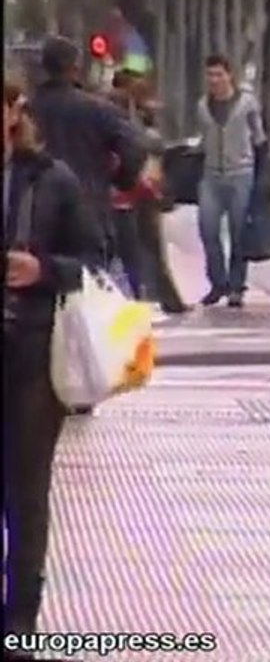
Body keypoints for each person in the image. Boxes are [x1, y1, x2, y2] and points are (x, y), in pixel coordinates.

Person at [3, 80, 106, 646]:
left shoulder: (51, 181)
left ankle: (19, 619)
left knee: (25, 490)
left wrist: (42, 269)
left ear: (13, 114)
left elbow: (93, 257)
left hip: (31, 351)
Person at [29, 36, 146, 260]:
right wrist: (121, 179)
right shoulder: (99, 110)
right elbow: (134, 148)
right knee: (91, 286)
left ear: (44, 67)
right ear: (75, 68)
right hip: (90, 213)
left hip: (36, 220)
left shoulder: (26, 111)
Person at [110, 71, 190, 313]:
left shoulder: (138, 115)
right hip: (135, 188)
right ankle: (151, 296)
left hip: (136, 189)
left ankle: (153, 296)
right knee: (141, 248)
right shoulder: (123, 115)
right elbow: (143, 148)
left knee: (140, 247)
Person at [195, 53, 267, 308]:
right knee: (208, 230)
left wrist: (261, 176)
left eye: (219, 74)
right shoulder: (203, 105)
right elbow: (204, 138)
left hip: (241, 174)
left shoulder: (247, 103)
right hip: (211, 174)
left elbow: (260, 139)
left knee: (239, 232)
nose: (214, 80)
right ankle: (218, 282)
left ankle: (237, 286)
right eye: (210, 75)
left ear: (229, 75)